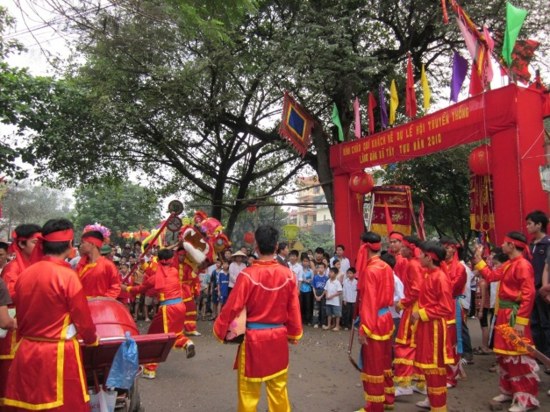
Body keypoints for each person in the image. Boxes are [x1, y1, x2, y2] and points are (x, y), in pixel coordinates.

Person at [1, 218, 98, 411]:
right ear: (69, 244)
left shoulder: (25, 274)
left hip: (26, 349)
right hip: (58, 353)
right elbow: (83, 319)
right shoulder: (67, 276)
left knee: (27, 405)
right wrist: (92, 339)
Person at [213, 225, 302, 412]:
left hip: (254, 340)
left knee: (248, 392)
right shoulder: (289, 275)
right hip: (278, 337)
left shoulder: (247, 275)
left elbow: (232, 307)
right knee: (278, 389)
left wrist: (220, 329)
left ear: (256, 247)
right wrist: (294, 333)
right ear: (276, 246)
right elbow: (294, 308)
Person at [474, 231, 539, 412]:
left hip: (514, 315)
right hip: (503, 313)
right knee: (504, 355)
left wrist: (521, 321)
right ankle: (508, 391)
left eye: (504, 243)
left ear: (512, 245)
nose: (502, 246)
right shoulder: (509, 264)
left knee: (518, 356)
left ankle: (526, 399)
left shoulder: (523, 265)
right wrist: (479, 260)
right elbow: (491, 276)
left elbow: (529, 294)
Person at [125, 248, 195, 379]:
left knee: (154, 337)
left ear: (158, 260)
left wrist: (126, 288)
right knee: (175, 333)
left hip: (167, 309)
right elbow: (155, 271)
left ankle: (150, 369)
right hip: (180, 306)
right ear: (171, 260)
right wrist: (143, 264)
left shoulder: (155, 277)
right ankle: (186, 342)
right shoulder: (174, 271)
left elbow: (141, 287)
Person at [354, 231, 395, 412]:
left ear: (365, 247)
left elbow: (370, 302)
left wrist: (364, 329)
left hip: (374, 321)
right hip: (385, 318)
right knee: (385, 361)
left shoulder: (371, 270)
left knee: (373, 365)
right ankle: (388, 399)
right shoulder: (386, 266)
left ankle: (374, 406)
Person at [412, 241, 454, 411]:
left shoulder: (440, 278)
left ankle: (438, 406)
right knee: (428, 366)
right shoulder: (429, 274)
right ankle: (432, 399)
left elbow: (446, 307)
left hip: (434, 328)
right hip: (427, 325)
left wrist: (422, 313)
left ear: (429, 257)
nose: (419, 257)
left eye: (421, 254)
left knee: (435, 366)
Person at [0, 223, 41, 399]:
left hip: (30, 328)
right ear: (22, 244)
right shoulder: (12, 269)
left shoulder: (37, 265)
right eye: (35, 242)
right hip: (13, 331)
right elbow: (12, 297)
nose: (39, 247)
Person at [393, 235, 426, 396]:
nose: (401, 249)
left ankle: (404, 384)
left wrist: (402, 303)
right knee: (417, 345)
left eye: (404, 247)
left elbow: (416, 290)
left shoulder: (412, 264)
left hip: (412, 308)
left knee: (404, 345)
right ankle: (421, 383)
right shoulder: (417, 263)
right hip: (419, 307)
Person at [440, 236, 468, 389]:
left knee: (452, 343)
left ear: (453, 249)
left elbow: (450, 288)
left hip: (451, 306)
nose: (445, 250)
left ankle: (451, 376)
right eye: (442, 247)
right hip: (440, 306)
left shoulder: (459, 268)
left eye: (447, 247)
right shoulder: (440, 265)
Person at [525, 210, 550, 367]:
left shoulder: (547, 244)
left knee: (546, 323)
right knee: (534, 323)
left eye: (530, 224)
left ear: (539, 225)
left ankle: (548, 356)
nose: (527, 227)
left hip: (543, 289)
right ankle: (539, 355)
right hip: (531, 289)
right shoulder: (530, 245)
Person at [76, 230, 121, 298]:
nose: (80, 246)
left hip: (100, 304)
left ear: (92, 244)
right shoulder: (81, 265)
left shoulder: (108, 265)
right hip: (81, 303)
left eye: (83, 242)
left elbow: (115, 287)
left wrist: (102, 300)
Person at [324, 267, 343, 331]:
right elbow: (325, 289)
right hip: (328, 301)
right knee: (329, 314)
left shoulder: (337, 282)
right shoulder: (328, 281)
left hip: (335, 302)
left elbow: (340, 291)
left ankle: (337, 326)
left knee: (337, 314)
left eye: (331, 272)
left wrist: (332, 296)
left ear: (336, 274)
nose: (330, 273)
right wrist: (326, 295)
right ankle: (329, 325)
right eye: (329, 272)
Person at [298, 254, 314, 325]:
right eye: (304, 261)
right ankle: (300, 319)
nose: (305, 262)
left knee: (308, 305)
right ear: (302, 261)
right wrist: (304, 280)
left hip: (308, 290)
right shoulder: (299, 269)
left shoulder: (310, 271)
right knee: (300, 305)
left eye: (307, 261)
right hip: (300, 289)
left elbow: (313, 280)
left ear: (309, 262)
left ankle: (308, 320)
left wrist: (310, 281)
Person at [312, 261, 328, 328]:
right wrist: (315, 295)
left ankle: (323, 323)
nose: (321, 269)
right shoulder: (315, 277)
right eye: (319, 267)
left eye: (322, 267)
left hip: (323, 294)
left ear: (324, 269)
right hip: (316, 293)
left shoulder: (326, 278)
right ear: (317, 269)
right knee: (316, 309)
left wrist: (321, 296)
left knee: (323, 309)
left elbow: (326, 288)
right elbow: (313, 287)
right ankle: (315, 322)